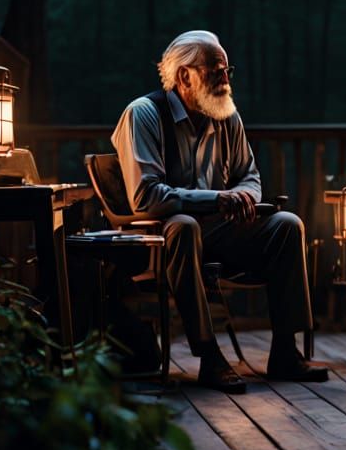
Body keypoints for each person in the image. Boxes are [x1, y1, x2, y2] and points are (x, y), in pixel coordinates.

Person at [112, 30, 328, 393]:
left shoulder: (226, 115)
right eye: (215, 71)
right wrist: (216, 199)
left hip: (221, 231)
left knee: (287, 224)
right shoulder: (144, 114)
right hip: (161, 239)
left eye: (227, 70)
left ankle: (285, 352)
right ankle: (210, 356)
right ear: (185, 75)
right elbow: (146, 197)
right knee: (183, 227)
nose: (225, 79)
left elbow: (249, 175)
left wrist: (243, 196)